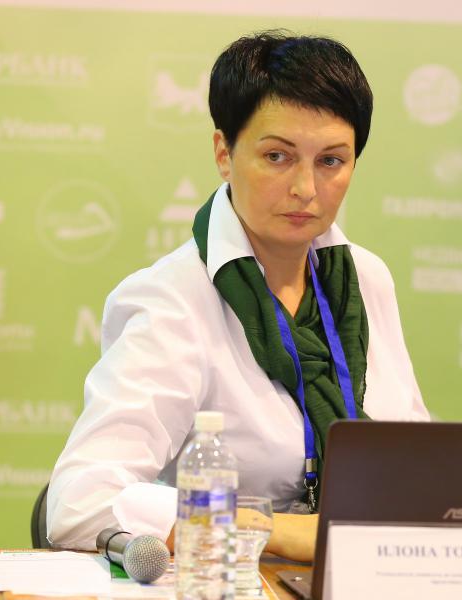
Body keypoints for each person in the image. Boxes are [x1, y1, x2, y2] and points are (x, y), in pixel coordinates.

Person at [47, 30, 429, 562]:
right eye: (277, 156)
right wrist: (271, 530)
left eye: (331, 161)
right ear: (224, 153)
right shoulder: (173, 298)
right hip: (232, 582)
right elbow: (80, 501)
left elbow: (413, 459)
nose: (305, 189)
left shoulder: (365, 278)